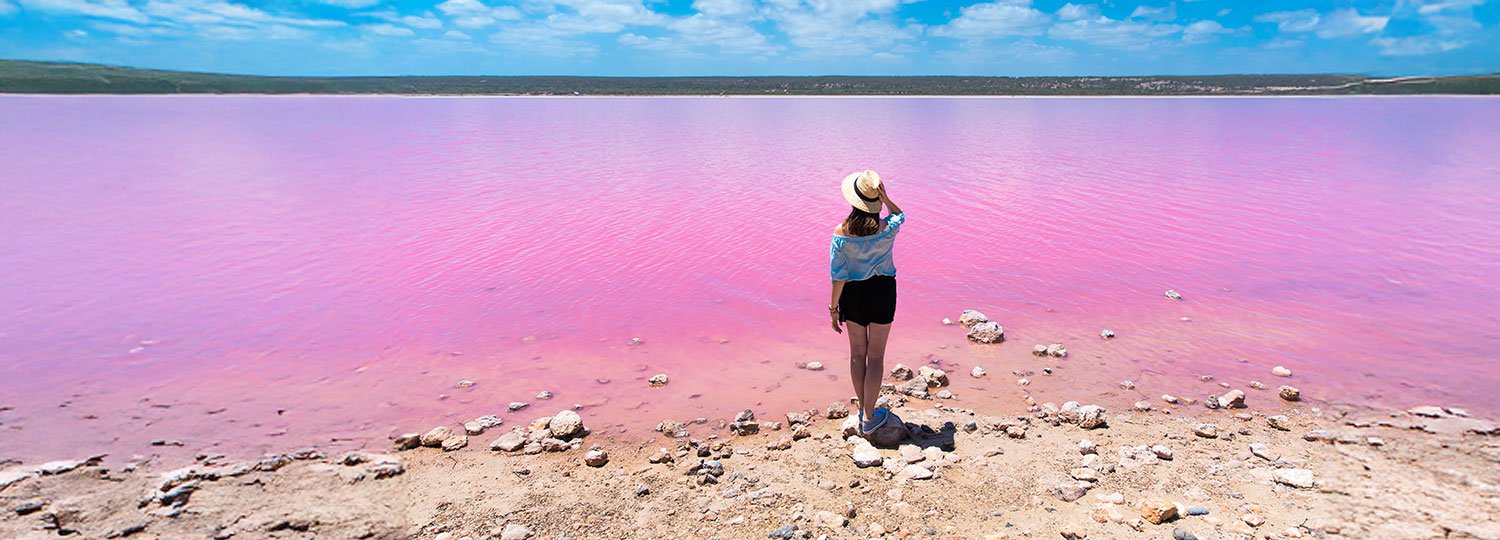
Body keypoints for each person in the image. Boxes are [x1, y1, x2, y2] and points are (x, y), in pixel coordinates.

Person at [828, 169, 904, 435]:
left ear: (853, 200)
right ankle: (871, 418)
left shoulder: (841, 233)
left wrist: (833, 309)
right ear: (875, 201)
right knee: (876, 356)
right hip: (882, 291)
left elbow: (838, 277)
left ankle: (863, 412)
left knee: (857, 355)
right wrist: (887, 198)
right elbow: (900, 215)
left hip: (854, 294)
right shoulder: (887, 229)